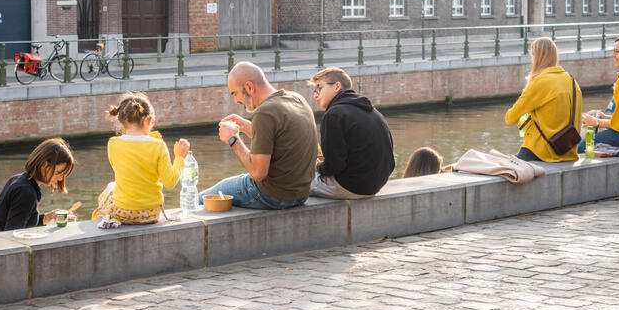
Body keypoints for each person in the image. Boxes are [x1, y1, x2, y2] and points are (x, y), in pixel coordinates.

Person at [199, 62, 318, 210]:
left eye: (235, 93)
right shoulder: (297, 99)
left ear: (249, 87)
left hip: (271, 195)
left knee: (202, 198)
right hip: (301, 195)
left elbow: (257, 173)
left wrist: (233, 139)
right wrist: (245, 126)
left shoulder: (264, 112)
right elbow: (280, 138)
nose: (236, 101)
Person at [94, 92, 190, 224]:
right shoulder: (158, 146)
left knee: (111, 187)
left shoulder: (112, 143)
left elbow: (127, 170)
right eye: (152, 122)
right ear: (146, 120)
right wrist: (179, 157)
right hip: (150, 214)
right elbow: (170, 182)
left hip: (122, 213)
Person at [307, 67, 395, 199]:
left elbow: (334, 166)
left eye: (319, 88)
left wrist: (318, 166)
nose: (315, 95)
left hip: (351, 186)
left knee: (294, 184)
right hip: (377, 184)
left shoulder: (334, 114)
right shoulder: (372, 111)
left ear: (336, 86)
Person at [504, 37, 582, 162]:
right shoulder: (571, 81)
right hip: (567, 150)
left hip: (540, 151)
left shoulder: (540, 81)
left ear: (536, 56)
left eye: (532, 55)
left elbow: (510, 118)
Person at [0, 138, 75, 233]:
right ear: (44, 165)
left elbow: (19, 223)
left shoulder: (18, 179)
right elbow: (13, 234)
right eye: (58, 172)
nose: (60, 178)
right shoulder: (26, 192)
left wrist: (47, 217)